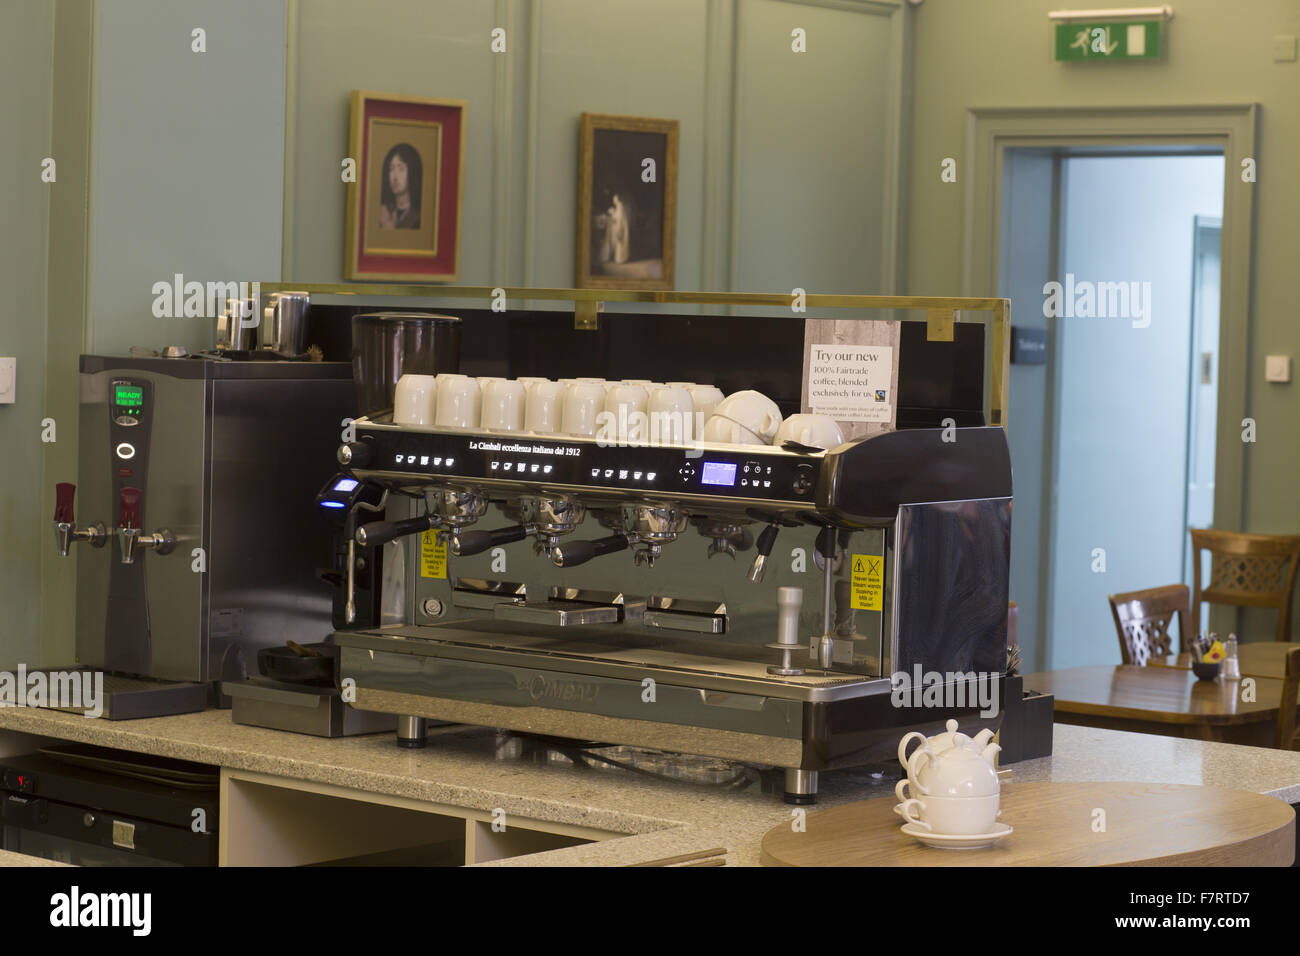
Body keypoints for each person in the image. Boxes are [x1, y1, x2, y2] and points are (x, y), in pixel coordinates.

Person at [378, 143, 422, 229]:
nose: (395, 177)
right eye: (391, 169)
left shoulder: (418, 216)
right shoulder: (383, 212)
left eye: (401, 169)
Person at [598, 193, 630, 265]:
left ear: (617, 199)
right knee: (618, 243)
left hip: (620, 227)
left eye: (614, 199)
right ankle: (619, 258)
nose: (613, 200)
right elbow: (617, 217)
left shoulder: (620, 206)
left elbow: (619, 219)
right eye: (613, 199)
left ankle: (621, 259)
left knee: (620, 243)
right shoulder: (618, 207)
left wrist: (612, 213)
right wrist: (613, 213)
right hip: (619, 226)